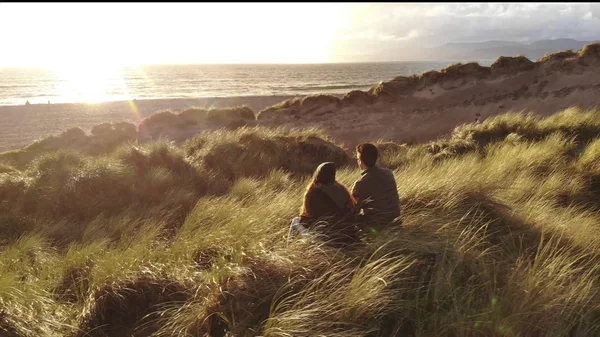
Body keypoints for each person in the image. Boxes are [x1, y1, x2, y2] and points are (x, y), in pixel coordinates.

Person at [288, 162, 359, 247]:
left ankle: (289, 248)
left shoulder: (314, 192)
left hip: (325, 240)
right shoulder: (341, 189)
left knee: (295, 221)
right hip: (346, 238)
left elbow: (308, 218)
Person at [351, 143, 401, 233]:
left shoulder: (360, 183)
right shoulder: (389, 174)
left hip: (378, 228)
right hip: (396, 224)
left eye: (358, 159)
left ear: (360, 161)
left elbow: (353, 209)